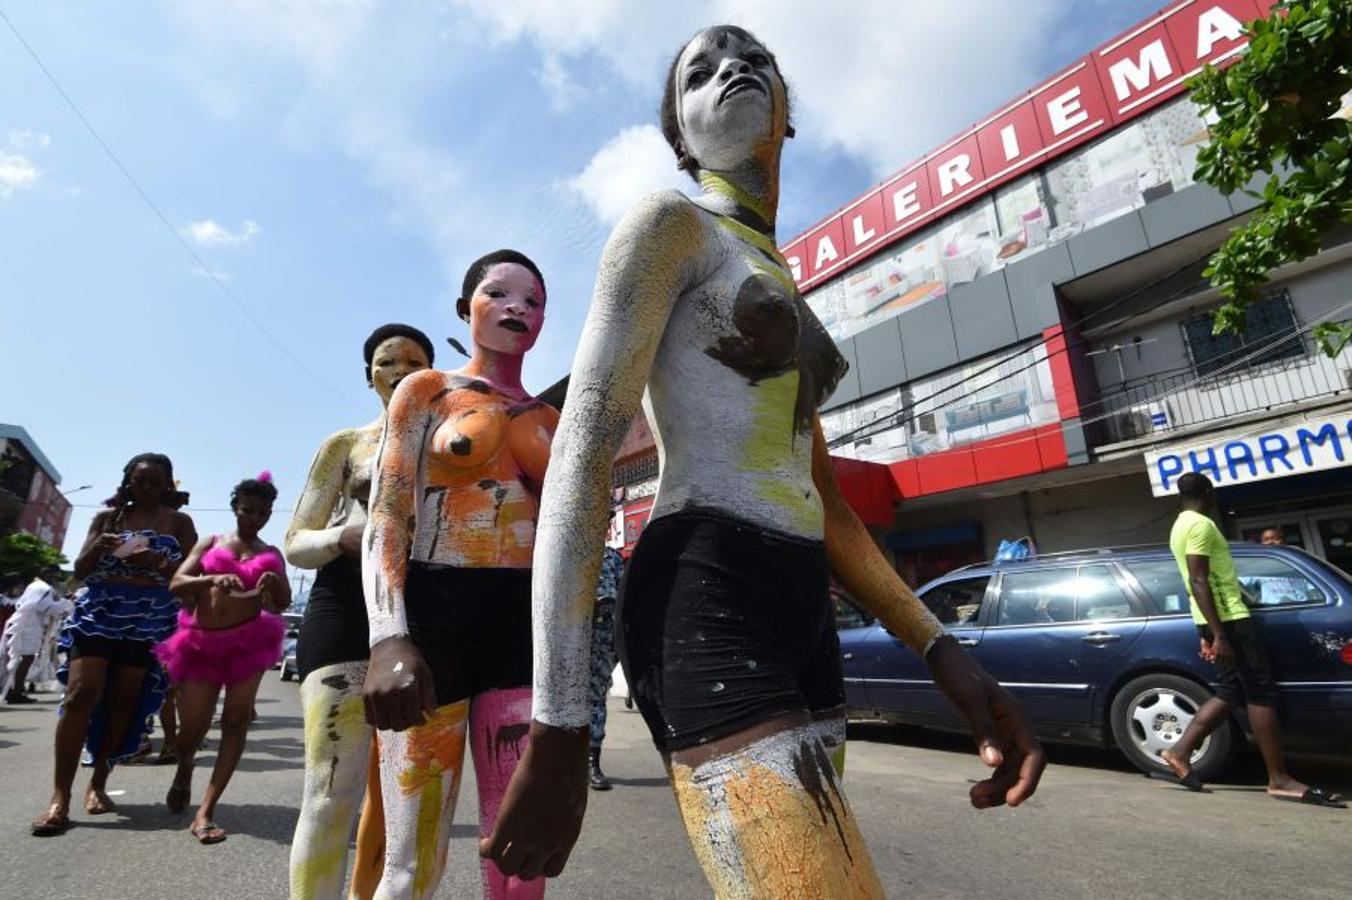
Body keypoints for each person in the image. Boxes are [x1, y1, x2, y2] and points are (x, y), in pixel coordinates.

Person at [481, 26, 1045, 897]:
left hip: (804, 603)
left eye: (752, 60)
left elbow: (826, 499)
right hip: (705, 590)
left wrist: (941, 649)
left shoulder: (779, 275)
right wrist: (559, 724)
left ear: (786, 114)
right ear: (679, 135)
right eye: (698, 74)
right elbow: (586, 451)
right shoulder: (670, 226)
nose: (731, 71)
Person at [363, 249, 558, 899]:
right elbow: (387, 513)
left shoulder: (555, 420)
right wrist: (388, 634)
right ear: (464, 308)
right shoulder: (427, 392)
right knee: (411, 862)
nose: (517, 309)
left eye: (532, 302)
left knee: (518, 865)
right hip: (435, 616)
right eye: (500, 293)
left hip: (524, 628)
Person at [287, 322, 435, 899]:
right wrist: (343, 538)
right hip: (344, 613)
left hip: (428, 618)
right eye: (385, 363)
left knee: (409, 794)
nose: (399, 373)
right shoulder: (346, 445)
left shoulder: (458, 440)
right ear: (369, 375)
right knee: (330, 791)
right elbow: (295, 540)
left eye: (413, 362)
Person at [31, 452, 197, 836]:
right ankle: (59, 798)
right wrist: (99, 546)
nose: (149, 488)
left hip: (147, 618)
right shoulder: (107, 519)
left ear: (168, 486)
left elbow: (191, 576)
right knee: (80, 694)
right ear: (128, 482)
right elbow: (81, 572)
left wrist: (156, 559)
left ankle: (99, 783)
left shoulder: (179, 522)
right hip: (98, 612)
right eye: (141, 481)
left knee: (123, 701)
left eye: (157, 482)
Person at [1159, 472, 1343, 806]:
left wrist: (1205, 630)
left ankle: (1179, 751)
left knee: (1231, 691)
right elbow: (1199, 579)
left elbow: (1192, 581)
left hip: (1214, 619)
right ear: (1208, 492)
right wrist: (1218, 634)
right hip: (1230, 619)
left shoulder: (1178, 525)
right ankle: (1279, 779)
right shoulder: (1200, 525)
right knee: (1260, 693)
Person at [159, 472, 291, 843]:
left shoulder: (272, 553)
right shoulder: (211, 542)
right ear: (235, 507)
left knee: (235, 722)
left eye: (263, 513)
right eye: (248, 510)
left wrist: (273, 582)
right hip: (200, 643)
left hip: (249, 644)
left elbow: (281, 602)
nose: (255, 518)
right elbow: (176, 584)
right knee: (193, 728)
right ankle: (184, 767)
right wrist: (210, 581)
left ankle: (206, 810)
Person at [586, 546, 623, 791]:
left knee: (597, 700)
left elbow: (624, 596)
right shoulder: (573, 551)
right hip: (574, 637)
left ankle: (592, 763)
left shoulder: (612, 557)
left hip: (603, 640)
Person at [2, 567, 64, 704]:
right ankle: (16, 691)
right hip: (29, 625)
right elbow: (44, 607)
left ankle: (15, 689)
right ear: (46, 574)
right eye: (54, 576)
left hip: (27, 624)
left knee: (21, 658)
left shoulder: (35, 585)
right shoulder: (43, 587)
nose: (56, 579)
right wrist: (64, 605)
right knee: (26, 658)